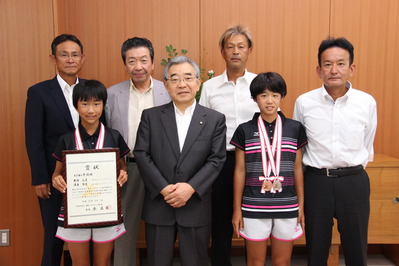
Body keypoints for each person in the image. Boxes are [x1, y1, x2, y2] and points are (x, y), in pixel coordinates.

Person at [134, 56, 226, 266]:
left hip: (195, 205)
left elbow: (216, 159)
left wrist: (191, 187)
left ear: (198, 82)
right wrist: (164, 188)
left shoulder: (214, 119)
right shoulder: (151, 116)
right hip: (159, 204)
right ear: (166, 85)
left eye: (187, 78)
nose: (182, 84)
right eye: (174, 79)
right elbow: (141, 153)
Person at [293, 37, 377, 266]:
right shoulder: (304, 102)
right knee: (316, 250)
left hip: (354, 181)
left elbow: (367, 144)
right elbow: (299, 147)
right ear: (319, 70)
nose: (334, 70)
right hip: (316, 182)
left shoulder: (367, 103)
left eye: (341, 63)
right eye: (327, 64)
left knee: (357, 248)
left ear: (352, 68)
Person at [104, 37, 171, 265]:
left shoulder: (168, 91)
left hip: (162, 170)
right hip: (127, 169)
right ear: (125, 64)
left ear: (153, 63)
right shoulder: (112, 95)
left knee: (162, 228)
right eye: (132, 61)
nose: (138, 66)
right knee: (123, 229)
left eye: (144, 60)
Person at [231, 72, 307, 266]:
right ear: (255, 98)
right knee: (255, 262)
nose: (269, 100)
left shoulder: (294, 128)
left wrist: (301, 206)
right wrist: (237, 209)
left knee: (282, 261)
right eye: (263, 95)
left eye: (275, 95)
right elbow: (240, 170)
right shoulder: (244, 130)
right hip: (253, 204)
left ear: (282, 96)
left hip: (287, 204)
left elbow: (297, 168)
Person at [199, 24, 259, 265]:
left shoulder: (259, 84)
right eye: (230, 47)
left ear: (249, 51)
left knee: (254, 219)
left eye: (241, 47)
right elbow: (201, 127)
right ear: (223, 51)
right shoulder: (209, 87)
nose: (235, 51)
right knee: (221, 219)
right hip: (222, 161)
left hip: (256, 162)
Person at [51, 80, 129, 265]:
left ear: (103, 104)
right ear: (76, 105)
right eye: (85, 104)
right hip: (76, 210)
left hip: (106, 209)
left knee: (102, 262)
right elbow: (57, 173)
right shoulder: (67, 139)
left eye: (96, 104)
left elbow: (123, 166)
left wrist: (124, 173)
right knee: (80, 263)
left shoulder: (114, 136)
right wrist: (56, 180)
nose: (91, 110)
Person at [25, 34, 85, 266]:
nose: (70, 59)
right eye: (64, 54)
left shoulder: (91, 89)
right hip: (54, 178)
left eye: (75, 54)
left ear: (82, 58)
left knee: (82, 237)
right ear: (54, 58)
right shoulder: (39, 92)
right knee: (53, 238)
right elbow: (34, 139)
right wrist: (40, 178)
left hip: (87, 179)